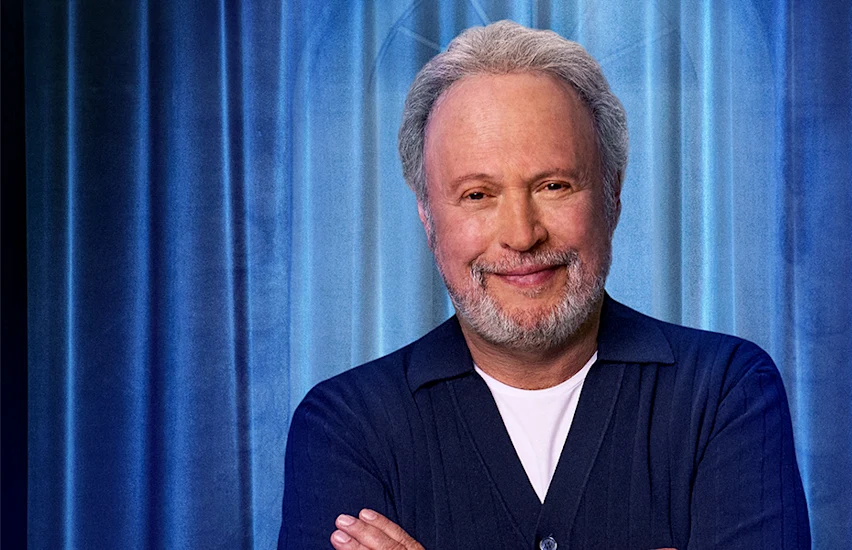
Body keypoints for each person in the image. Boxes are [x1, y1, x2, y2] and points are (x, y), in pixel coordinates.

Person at [279, 20, 810, 550]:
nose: (521, 235)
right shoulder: (345, 426)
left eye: (553, 185)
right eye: (477, 195)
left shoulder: (726, 393)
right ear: (427, 217)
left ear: (612, 197)